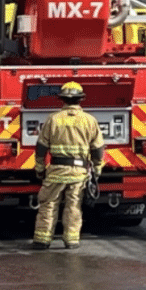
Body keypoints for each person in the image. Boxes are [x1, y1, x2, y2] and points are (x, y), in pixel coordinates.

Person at [31, 81, 104, 250]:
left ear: (62, 99)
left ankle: (42, 239)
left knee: (49, 204)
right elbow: (98, 149)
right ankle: (71, 240)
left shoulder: (53, 119)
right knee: (74, 206)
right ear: (80, 100)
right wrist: (97, 169)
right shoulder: (89, 120)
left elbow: (41, 146)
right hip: (79, 173)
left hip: (56, 170)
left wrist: (40, 168)